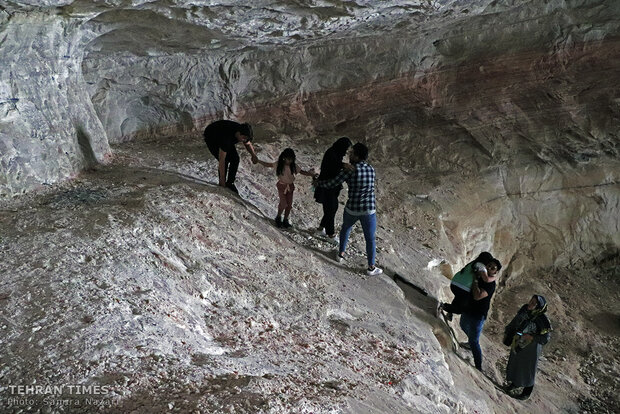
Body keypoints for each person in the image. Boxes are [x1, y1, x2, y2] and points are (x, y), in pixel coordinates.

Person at [316, 143, 382, 276]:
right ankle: (371, 267)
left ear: (357, 156)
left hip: (352, 208)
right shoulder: (371, 169)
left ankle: (340, 254)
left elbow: (332, 183)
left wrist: (319, 182)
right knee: (370, 239)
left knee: (346, 229)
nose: (349, 155)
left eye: (352, 153)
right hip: (369, 210)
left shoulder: (349, 170)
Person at [503, 295, 552, 400]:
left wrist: (531, 336)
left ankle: (526, 392)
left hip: (532, 349)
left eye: (534, 303)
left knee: (528, 368)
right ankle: (515, 383)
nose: (530, 304)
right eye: (531, 301)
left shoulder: (543, 320)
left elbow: (545, 338)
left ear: (539, 307)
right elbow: (516, 320)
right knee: (516, 363)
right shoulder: (525, 310)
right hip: (519, 343)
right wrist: (509, 332)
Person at [458, 257, 502, 371]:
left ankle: (478, 367)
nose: (489, 268)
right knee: (463, 325)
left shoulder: (490, 284)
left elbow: (478, 296)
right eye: (489, 265)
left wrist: (475, 281)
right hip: (469, 309)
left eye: (493, 268)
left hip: (478, 315)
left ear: (495, 272)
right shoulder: (481, 276)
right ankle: (470, 343)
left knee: (475, 341)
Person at [257, 148, 316, 228]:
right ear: (284, 158)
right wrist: (258, 161)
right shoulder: (278, 164)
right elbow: (268, 164)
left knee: (289, 205)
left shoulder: (294, 166)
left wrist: (311, 174)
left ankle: (285, 220)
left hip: (290, 186)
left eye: (291, 159)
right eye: (288, 159)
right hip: (281, 186)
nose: (289, 161)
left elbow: (302, 172)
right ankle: (278, 217)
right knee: (283, 203)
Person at [203, 120, 258, 194]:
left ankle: (230, 183)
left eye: (245, 138)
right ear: (238, 133)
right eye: (243, 138)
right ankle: (222, 182)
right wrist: (222, 182)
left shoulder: (243, 131)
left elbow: (248, 144)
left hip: (223, 133)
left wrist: (253, 155)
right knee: (226, 160)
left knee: (235, 159)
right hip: (212, 136)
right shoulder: (226, 138)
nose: (244, 140)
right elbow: (222, 160)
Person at [314, 137, 352, 242]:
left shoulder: (335, 153)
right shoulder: (332, 154)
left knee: (330, 209)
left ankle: (320, 229)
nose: (345, 153)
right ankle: (330, 235)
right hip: (327, 187)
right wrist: (343, 165)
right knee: (330, 209)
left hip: (330, 187)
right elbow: (332, 166)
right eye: (346, 149)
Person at [439, 252, 494, 321]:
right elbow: (486, 279)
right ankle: (443, 306)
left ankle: (449, 313)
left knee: (458, 299)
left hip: (454, 283)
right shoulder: (481, 266)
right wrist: (495, 277)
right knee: (462, 309)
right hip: (462, 288)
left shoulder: (473, 263)